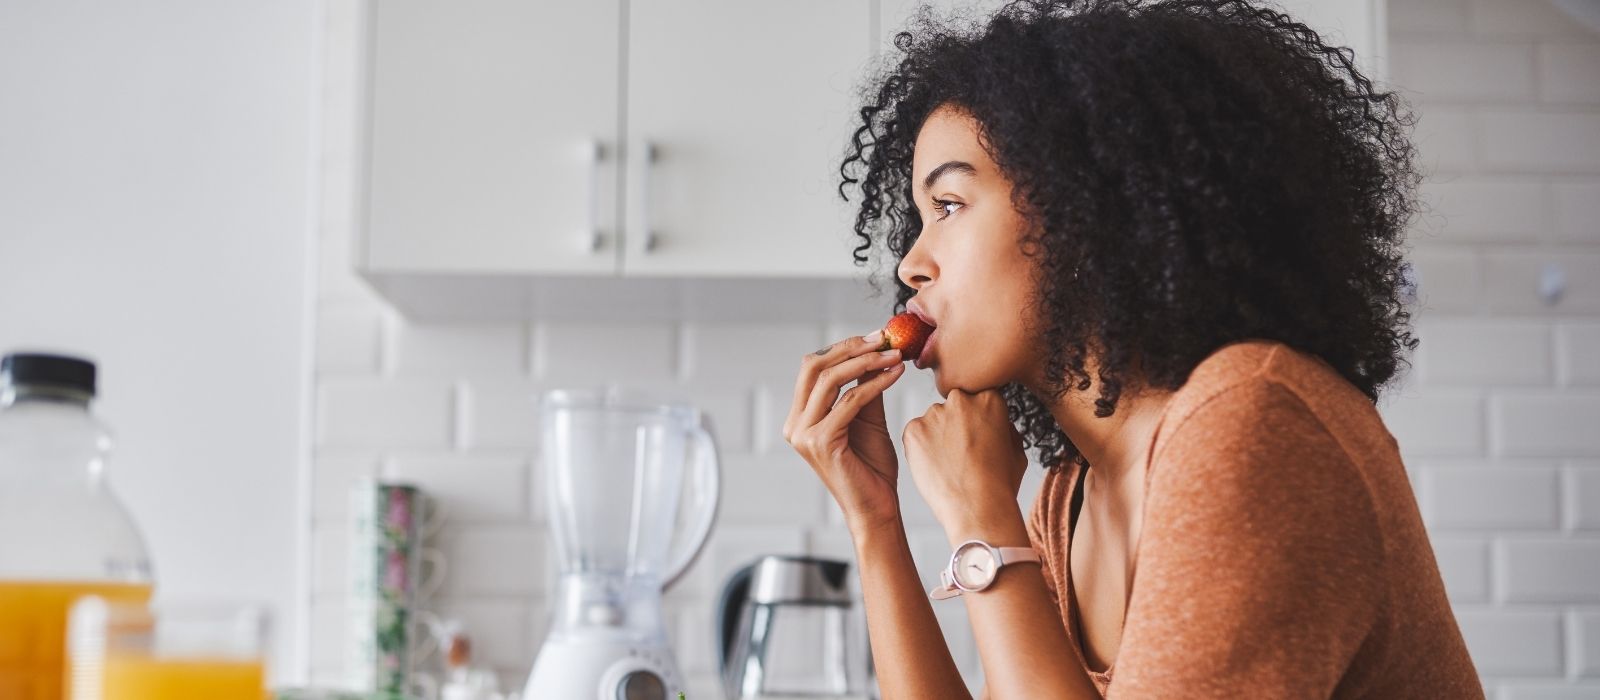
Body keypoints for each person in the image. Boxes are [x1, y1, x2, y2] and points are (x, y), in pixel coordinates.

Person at [782, 0, 1483, 697]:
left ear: (1083, 212)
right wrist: (874, 523)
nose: (910, 264)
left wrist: (982, 524)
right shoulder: (1072, 494)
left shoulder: (1253, 421)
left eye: (951, 205)